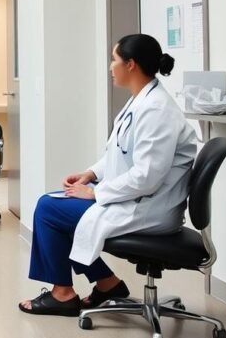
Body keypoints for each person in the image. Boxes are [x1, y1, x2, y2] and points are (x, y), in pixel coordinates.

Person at [19, 34, 197, 317]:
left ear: (130, 65)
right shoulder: (141, 101)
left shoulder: (156, 110)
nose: (110, 66)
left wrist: (95, 193)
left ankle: (63, 294)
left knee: (48, 208)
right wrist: (90, 174)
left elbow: (146, 176)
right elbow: (119, 152)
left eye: (114, 60)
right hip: (138, 200)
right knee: (55, 202)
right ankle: (107, 284)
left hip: (150, 209)